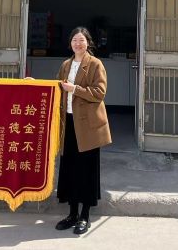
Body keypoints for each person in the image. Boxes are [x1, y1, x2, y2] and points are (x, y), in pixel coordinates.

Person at [55, 27, 112, 235]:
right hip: (69, 122)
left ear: (88, 42)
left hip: (88, 125)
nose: (78, 44)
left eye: (81, 40)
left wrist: (75, 89)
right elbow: (57, 87)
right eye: (74, 40)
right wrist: (35, 85)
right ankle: (72, 214)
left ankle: (85, 216)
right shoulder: (66, 64)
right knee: (69, 168)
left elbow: (99, 92)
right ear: (70, 43)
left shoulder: (95, 64)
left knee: (86, 170)